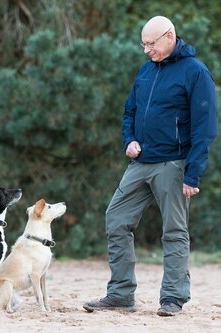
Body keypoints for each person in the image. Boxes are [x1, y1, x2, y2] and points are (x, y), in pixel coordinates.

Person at [83, 16, 218, 316]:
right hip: (140, 163)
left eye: (151, 44)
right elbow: (129, 110)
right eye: (144, 44)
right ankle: (120, 295)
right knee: (115, 218)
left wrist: (192, 172)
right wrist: (128, 139)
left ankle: (173, 298)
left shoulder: (195, 72)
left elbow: (205, 127)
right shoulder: (145, 71)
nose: (147, 50)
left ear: (169, 37)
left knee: (174, 230)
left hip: (174, 163)